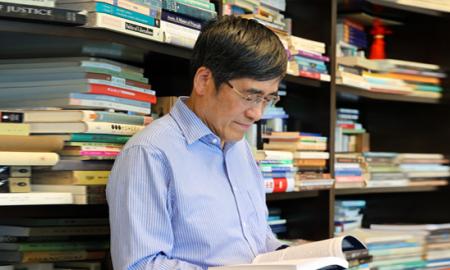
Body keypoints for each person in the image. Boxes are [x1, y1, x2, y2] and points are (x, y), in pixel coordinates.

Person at [106, 15, 288, 270]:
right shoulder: (148, 153)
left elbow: (257, 240)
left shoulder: (240, 148)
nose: (257, 113)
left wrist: (292, 257)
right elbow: (140, 264)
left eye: (268, 99)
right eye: (250, 96)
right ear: (204, 80)